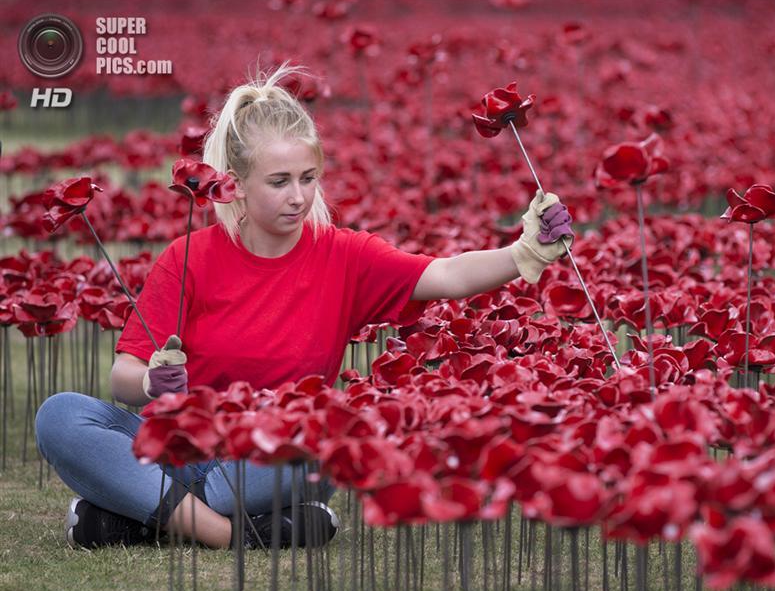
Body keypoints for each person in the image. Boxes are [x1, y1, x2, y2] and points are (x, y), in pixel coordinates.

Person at [34, 64, 575, 550]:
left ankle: (136, 517)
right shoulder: (189, 256)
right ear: (236, 185)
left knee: (336, 437)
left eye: (308, 178)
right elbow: (122, 377)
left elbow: (446, 274)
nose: (299, 197)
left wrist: (523, 251)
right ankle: (229, 531)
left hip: (266, 459)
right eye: (279, 182)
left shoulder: (344, 255)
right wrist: (152, 382)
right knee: (59, 416)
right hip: (171, 449)